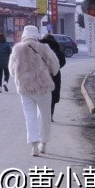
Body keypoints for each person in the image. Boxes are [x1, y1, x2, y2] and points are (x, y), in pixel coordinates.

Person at [9, 24, 59, 156]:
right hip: (43, 88)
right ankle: (44, 144)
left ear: (24, 35)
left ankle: (34, 147)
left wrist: (22, 76)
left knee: (29, 117)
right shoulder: (45, 48)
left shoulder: (17, 49)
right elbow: (55, 68)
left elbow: (12, 70)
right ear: (37, 35)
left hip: (25, 89)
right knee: (45, 116)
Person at [40, 33, 67, 120]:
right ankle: (51, 114)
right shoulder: (56, 48)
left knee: (43, 94)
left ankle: (43, 114)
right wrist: (56, 67)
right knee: (53, 95)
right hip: (55, 74)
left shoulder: (40, 49)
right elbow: (63, 61)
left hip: (42, 75)